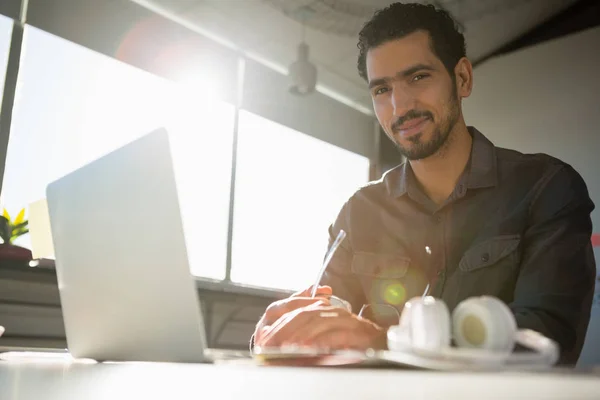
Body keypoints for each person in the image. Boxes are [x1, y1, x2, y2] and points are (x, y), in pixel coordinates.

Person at [252, 2, 596, 364]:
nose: (400, 107)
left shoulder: (546, 188)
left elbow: (548, 341)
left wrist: (383, 341)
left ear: (462, 78)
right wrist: (285, 331)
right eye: (381, 90)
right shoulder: (359, 212)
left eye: (418, 77)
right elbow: (326, 327)